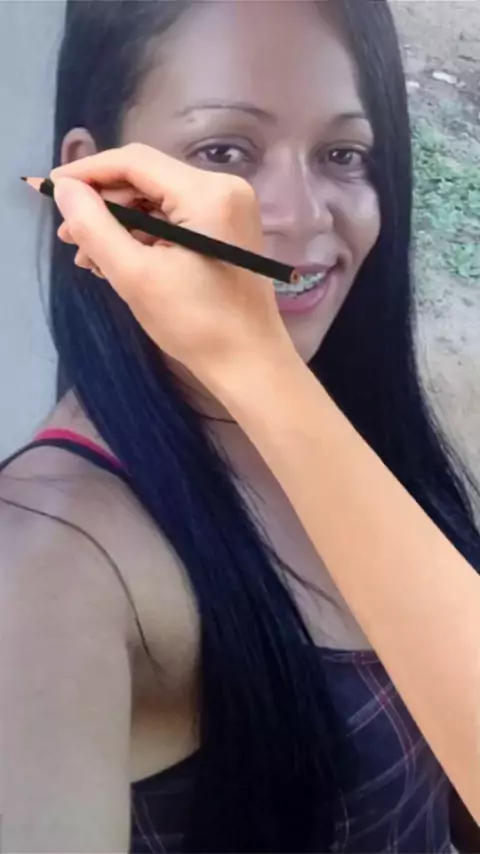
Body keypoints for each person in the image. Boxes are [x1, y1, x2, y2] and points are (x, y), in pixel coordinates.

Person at [1, 1, 479, 852]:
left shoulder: (357, 419)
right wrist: (253, 362)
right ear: (95, 187)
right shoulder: (50, 558)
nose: (302, 217)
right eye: (224, 152)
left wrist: (262, 375)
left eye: (343, 154)